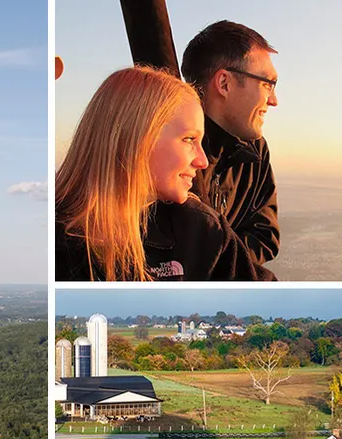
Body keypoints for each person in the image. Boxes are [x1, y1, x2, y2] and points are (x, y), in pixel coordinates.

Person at [55, 66, 274, 281]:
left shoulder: (201, 231)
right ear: (138, 139)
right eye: (189, 139)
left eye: (201, 142)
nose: (202, 161)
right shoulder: (56, 245)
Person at [180, 20, 281, 266]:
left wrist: (218, 265)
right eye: (267, 83)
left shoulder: (255, 150)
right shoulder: (164, 153)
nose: (274, 100)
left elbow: (265, 237)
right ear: (224, 83)